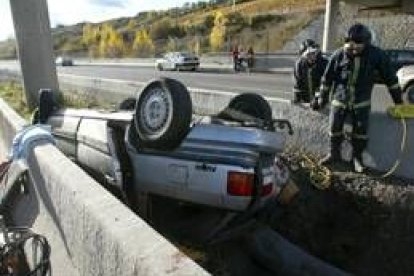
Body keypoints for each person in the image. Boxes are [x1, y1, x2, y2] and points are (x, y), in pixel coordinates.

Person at [311, 23, 403, 173]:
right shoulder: (338, 55)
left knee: (360, 132)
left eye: (357, 43)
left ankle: (357, 158)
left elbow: (390, 80)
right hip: (339, 101)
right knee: (334, 128)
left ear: (366, 42)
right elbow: (326, 80)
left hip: (361, 102)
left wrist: (398, 102)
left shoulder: (377, 55)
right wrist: (322, 98)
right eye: (348, 42)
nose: (352, 47)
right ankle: (334, 154)